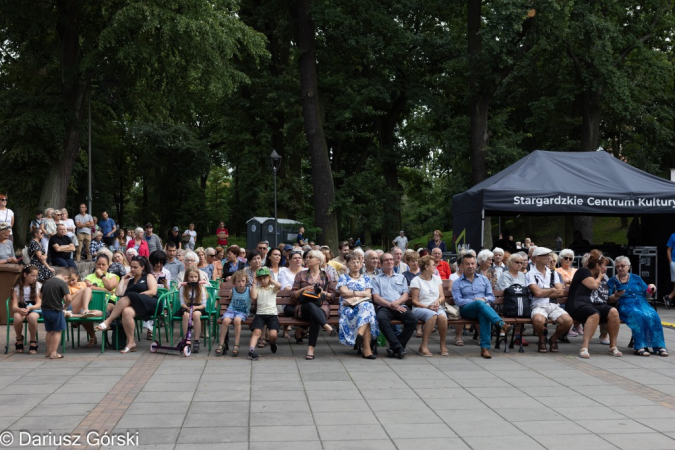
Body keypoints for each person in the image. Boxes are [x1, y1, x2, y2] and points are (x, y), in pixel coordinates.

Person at [94, 256, 158, 354]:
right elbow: (118, 293)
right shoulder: (129, 280)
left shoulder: (149, 276)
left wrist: (136, 297)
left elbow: (153, 292)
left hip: (150, 303)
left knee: (130, 296)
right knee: (126, 311)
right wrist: (123, 279)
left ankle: (108, 321)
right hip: (135, 306)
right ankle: (131, 342)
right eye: (131, 267)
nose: (132, 269)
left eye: (135, 267)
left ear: (143, 267)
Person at [452, 253, 510, 359]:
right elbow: (457, 301)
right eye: (467, 264)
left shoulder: (484, 279)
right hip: (466, 311)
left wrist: (483, 300)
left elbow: (491, 297)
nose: (470, 266)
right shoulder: (457, 283)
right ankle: (500, 323)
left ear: (476, 264)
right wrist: (475, 301)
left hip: (483, 308)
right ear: (462, 266)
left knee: (484, 315)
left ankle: (485, 349)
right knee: (479, 304)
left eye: (472, 264)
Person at [568, 250, 622, 358]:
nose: (606, 269)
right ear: (597, 265)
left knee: (613, 312)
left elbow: (603, 296)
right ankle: (584, 348)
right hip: (577, 305)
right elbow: (593, 285)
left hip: (590, 305)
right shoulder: (583, 272)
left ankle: (613, 347)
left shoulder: (598, 276)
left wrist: (615, 296)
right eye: (604, 266)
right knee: (594, 314)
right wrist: (600, 278)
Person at [609, 256, 667, 357]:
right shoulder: (612, 281)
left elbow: (647, 293)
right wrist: (616, 295)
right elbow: (608, 299)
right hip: (625, 305)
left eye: (622, 266)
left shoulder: (636, 278)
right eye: (617, 266)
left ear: (628, 266)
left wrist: (652, 288)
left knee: (653, 315)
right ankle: (639, 346)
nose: (620, 268)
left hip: (642, 303)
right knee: (638, 315)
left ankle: (659, 345)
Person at [292, 250, 338, 360]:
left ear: (318, 260)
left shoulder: (326, 275)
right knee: (311, 306)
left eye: (310, 257)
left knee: (314, 315)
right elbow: (293, 295)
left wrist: (323, 293)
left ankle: (310, 349)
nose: (307, 259)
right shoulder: (301, 275)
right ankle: (326, 326)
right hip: (303, 308)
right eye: (307, 257)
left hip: (322, 306)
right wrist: (303, 289)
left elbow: (332, 296)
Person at [526, 247, 573, 353]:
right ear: (537, 258)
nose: (549, 257)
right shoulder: (530, 274)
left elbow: (560, 292)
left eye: (549, 255)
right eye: (545, 255)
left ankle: (553, 339)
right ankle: (542, 339)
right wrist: (552, 289)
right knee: (538, 320)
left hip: (552, 304)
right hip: (537, 304)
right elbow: (537, 293)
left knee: (568, 321)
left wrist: (543, 291)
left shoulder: (553, 273)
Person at [371, 252, 415, 359]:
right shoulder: (376, 279)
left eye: (391, 259)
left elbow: (405, 295)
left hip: (400, 306)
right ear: (381, 264)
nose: (390, 262)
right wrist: (390, 304)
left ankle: (395, 346)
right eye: (386, 260)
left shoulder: (401, 277)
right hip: (384, 307)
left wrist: (397, 303)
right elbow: (376, 298)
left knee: (412, 319)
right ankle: (398, 347)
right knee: (381, 318)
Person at [337, 252, 379, 359]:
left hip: (362, 308)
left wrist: (353, 295)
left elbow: (369, 294)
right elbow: (344, 293)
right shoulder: (343, 277)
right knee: (368, 312)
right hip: (348, 309)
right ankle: (367, 350)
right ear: (347, 265)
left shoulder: (366, 278)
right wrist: (360, 294)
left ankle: (359, 335)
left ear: (361, 265)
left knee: (367, 307)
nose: (356, 265)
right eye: (353, 262)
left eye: (358, 262)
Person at [410, 255, 448, 357]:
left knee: (443, 317)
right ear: (426, 267)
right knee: (432, 315)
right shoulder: (416, 280)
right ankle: (424, 345)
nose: (435, 267)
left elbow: (442, 296)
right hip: (420, 308)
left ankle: (443, 344)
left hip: (436, 307)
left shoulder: (436, 278)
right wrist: (427, 307)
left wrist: (438, 302)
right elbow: (414, 301)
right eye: (433, 265)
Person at [216, 270, 256, 356]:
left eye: (243, 281)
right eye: (238, 281)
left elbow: (253, 296)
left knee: (237, 320)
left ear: (246, 281)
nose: (241, 283)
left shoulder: (249, 290)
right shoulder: (232, 290)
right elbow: (229, 297)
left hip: (243, 312)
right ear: (234, 282)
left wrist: (254, 284)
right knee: (226, 320)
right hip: (232, 310)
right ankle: (221, 343)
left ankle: (236, 344)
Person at [248, 267, 281, 360]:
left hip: (272, 314)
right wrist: (254, 283)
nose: (262, 280)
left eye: (264, 278)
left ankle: (273, 343)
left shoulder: (272, 288)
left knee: (273, 335)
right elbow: (253, 296)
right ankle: (251, 350)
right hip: (260, 314)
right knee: (257, 332)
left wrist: (270, 280)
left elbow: (279, 286)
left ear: (269, 277)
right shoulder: (257, 288)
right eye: (260, 278)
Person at [40, 267, 72, 359]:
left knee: (49, 331)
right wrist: (66, 306)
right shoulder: (62, 283)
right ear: (66, 277)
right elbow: (69, 299)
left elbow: (40, 295)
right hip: (56, 310)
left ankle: (48, 351)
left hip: (45, 310)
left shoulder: (46, 282)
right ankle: (54, 352)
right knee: (58, 331)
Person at [11, 266, 42, 354]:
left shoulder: (37, 286)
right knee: (17, 317)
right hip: (21, 308)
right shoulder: (17, 287)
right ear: (25, 274)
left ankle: (33, 340)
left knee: (32, 317)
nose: (34, 278)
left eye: (36, 276)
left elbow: (39, 304)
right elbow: (14, 306)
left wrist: (30, 308)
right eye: (32, 275)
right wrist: (19, 310)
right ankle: (19, 339)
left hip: (34, 308)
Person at [176, 268, 207, 353]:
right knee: (186, 315)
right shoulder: (184, 288)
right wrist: (186, 308)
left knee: (196, 315)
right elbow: (182, 302)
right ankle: (186, 338)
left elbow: (203, 305)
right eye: (191, 277)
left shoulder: (200, 288)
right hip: (187, 306)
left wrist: (195, 308)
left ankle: (196, 340)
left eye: (195, 277)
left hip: (198, 307)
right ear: (187, 278)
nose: (193, 279)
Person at [666, 230, 675, 308]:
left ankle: (669, 297)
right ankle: (669, 297)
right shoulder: (673, 236)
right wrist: (671, 262)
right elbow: (669, 249)